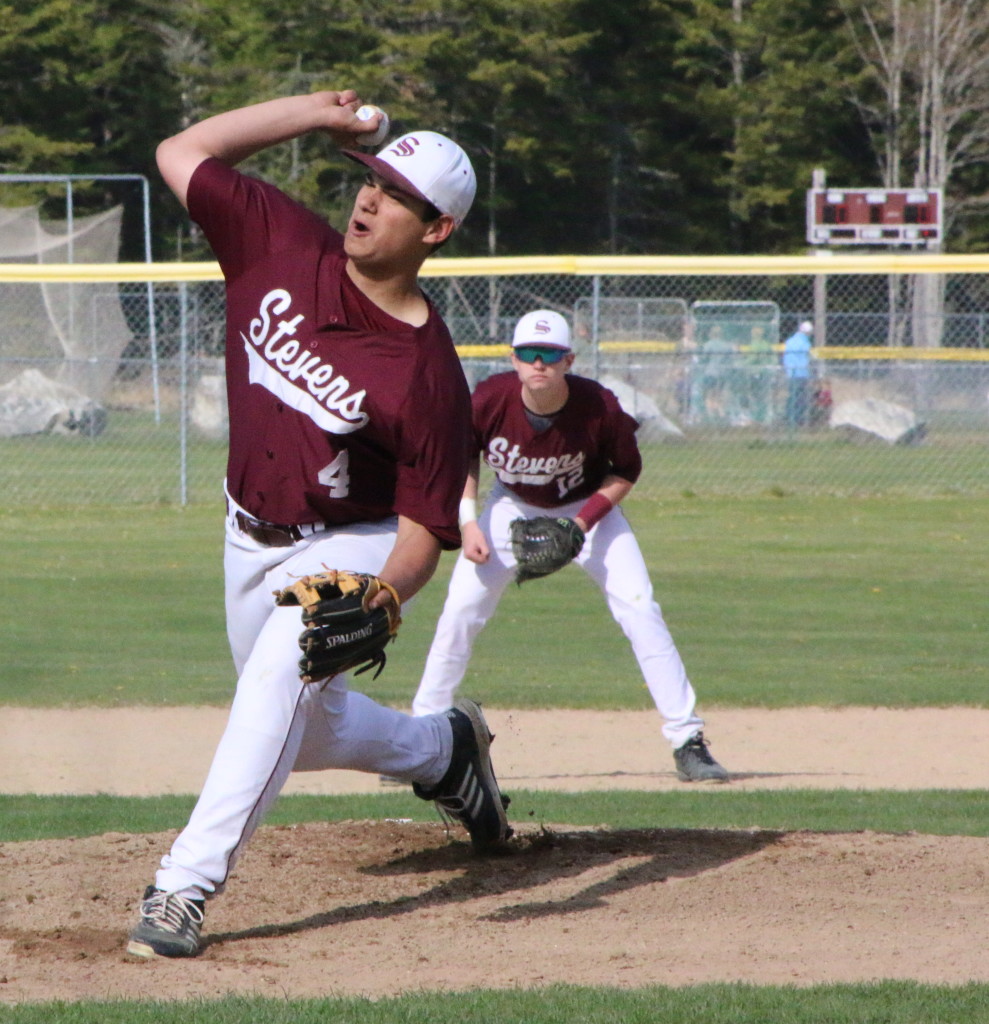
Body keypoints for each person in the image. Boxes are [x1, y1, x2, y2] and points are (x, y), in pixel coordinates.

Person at [125, 89, 512, 960]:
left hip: (348, 539)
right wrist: (313, 113)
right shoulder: (281, 242)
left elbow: (422, 533)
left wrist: (377, 593)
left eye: (398, 197)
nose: (370, 200)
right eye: (370, 181)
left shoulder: (426, 375)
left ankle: (182, 888)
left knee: (276, 687)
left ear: (436, 231)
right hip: (245, 530)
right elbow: (180, 149)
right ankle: (443, 751)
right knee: (302, 732)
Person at [410, 310, 729, 784]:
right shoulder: (490, 399)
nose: (539, 363)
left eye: (551, 355)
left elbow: (625, 471)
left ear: (568, 360)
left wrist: (581, 525)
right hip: (510, 505)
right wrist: (469, 523)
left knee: (640, 609)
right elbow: (464, 457)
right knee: (460, 610)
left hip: (587, 508)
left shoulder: (599, 405)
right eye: (529, 354)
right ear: (513, 359)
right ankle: (421, 740)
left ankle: (688, 740)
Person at [783, 320, 814, 428]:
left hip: (791, 373)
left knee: (792, 396)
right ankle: (797, 420)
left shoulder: (789, 341)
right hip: (801, 373)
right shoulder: (805, 343)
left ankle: (789, 418)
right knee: (800, 399)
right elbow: (810, 356)